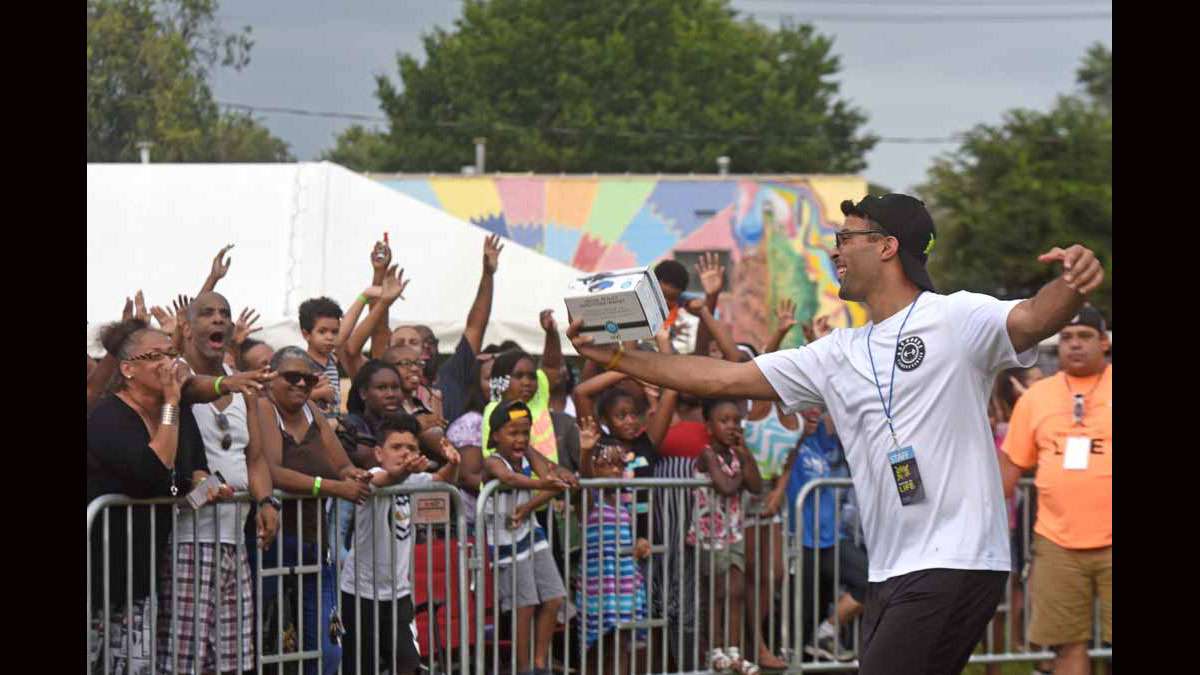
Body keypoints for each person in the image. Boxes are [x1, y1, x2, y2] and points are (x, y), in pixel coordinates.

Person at [565, 192, 1105, 674]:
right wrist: (615, 354)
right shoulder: (836, 353)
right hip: (890, 568)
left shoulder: (955, 318)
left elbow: (1034, 318)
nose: (834, 251)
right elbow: (721, 376)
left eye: (845, 238)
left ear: (888, 246)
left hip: (955, 558)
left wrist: (1073, 282)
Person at [156, 292, 279, 674]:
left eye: (224, 314)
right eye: (207, 314)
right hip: (185, 541)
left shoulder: (238, 383)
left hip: (233, 541)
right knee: (183, 660)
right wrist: (228, 384)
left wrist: (266, 502)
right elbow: (191, 391)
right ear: (187, 327)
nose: (219, 320)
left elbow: (254, 457)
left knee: (234, 658)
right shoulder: (173, 375)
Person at [87, 319, 216, 674]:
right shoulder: (108, 416)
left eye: (171, 354)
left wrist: (205, 484)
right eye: (156, 356)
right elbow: (152, 470)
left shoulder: (172, 414)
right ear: (127, 369)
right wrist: (173, 400)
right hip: (100, 571)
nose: (168, 364)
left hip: (142, 574)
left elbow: (189, 470)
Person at [1000, 306, 1112, 675]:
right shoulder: (1036, 398)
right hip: (1056, 542)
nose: (1075, 345)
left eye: (1084, 337)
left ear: (1105, 342)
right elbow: (1010, 468)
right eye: (1066, 338)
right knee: (1067, 647)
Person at [255, 346, 374, 675]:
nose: (301, 385)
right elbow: (273, 471)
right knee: (269, 646)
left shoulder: (311, 411)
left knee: (326, 649)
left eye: (308, 379)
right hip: (272, 544)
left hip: (313, 542)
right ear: (271, 377)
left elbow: (342, 465)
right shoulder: (264, 408)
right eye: (292, 377)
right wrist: (333, 487)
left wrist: (354, 475)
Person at [339, 413, 461, 675]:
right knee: (361, 666)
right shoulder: (372, 475)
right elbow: (386, 480)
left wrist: (452, 463)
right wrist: (405, 471)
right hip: (360, 593)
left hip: (398, 593)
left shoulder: (412, 479)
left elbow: (441, 481)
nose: (405, 453)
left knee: (408, 663)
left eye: (411, 448)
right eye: (396, 448)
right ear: (379, 453)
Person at [481, 400, 571, 675]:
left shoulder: (526, 454)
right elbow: (510, 478)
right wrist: (542, 483)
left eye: (525, 432)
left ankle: (540, 663)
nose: (520, 439)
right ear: (495, 434)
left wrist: (528, 506)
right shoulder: (493, 460)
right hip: (505, 541)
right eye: (513, 432)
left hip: (530, 532)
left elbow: (550, 481)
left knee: (554, 596)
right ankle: (522, 668)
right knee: (526, 604)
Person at [786, 407, 869, 663]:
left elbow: (839, 416)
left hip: (831, 539)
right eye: (807, 404)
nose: (813, 412)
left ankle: (828, 631)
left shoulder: (825, 437)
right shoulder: (789, 434)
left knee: (873, 581)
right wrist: (798, 432)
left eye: (818, 407)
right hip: (798, 540)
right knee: (803, 620)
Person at [687, 398, 763, 675]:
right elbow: (727, 486)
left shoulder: (737, 455)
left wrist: (745, 456)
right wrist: (739, 475)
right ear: (709, 426)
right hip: (710, 534)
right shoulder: (707, 455)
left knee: (737, 590)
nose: (732, 426)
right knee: (717, 593)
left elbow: (755, 486)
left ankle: (734, 650)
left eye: (735, 420)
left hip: (733, 532)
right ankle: (715, 650)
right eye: (724, 421)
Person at [575, 417, 651, 675]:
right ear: (595, 468)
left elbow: (635, 532)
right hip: (600, 583)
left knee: (623, 642)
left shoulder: (624, 496)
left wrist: (641, 542)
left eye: (620, 465)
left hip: (626, 580)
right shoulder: (591, 498)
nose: (616, 471)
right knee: (599, 645)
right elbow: (585, 479)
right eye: (607, 465)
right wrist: (586, 451)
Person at [435, 234, 504, 425]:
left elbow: (475, 327)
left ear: (435, 346)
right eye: (404, 344)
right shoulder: (394, 389)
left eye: (424, 342)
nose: (418, 349)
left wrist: (488, 275)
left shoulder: (452, 375)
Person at [479, 310, 565, 463]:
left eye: (532, 377)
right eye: (518, 376)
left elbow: (551, 366)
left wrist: (551, 333)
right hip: (517, 485)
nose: (527, 382)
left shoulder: (538, 397)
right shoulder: (495, 410)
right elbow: (493, 458)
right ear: (502, 379)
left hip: (547, 484)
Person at [299, 296, 347, 419]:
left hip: (333, 424)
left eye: (334, 332)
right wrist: (319, 393)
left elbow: (347, 329)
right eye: (322, 331)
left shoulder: (333, 359)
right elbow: (292, 397)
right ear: (306, 334)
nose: (330, 337)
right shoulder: (301, 363)